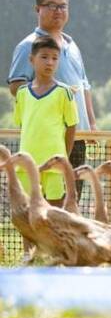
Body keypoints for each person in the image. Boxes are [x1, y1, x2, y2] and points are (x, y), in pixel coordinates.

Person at [7, 0, 96, 197]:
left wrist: (91, 123)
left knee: (71, 202)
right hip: (48, 138)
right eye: (51, 5)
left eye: (63, 6)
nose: (58, 11)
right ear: (38, 9)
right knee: (42, 204)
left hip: (77, 136)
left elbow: (84, 85)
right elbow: (16, 85)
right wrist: (52, 95)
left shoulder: (72, 45)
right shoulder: (28, 45)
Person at [14, 35, 79, 207]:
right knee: (26, 210)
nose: (49, 62)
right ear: (31, 59)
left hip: (54, 165)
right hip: (26, 164)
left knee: (55, 209)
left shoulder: (64, 92)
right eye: (44, 57)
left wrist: (63, 157)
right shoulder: (22, 93)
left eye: (54, 58)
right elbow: (22, 124)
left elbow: (71, 126)